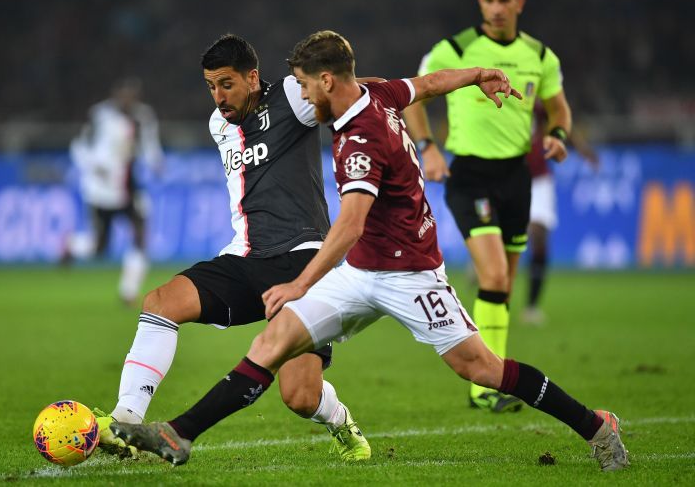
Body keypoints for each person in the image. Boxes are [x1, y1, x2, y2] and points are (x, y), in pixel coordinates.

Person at [109, 30, 629, 473]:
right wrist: (477, 74)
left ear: (327, 82)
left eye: (307, 86)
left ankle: (594, 424)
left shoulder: (360, 136)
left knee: (482, 369)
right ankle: (178, 435)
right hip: (359, 272)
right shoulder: (377, 97)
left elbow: (351, 223)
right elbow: (424, 85)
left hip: (411, 275)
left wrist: (298, 283)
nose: (302, 96)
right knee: (273, 342)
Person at [95, 35, 371, 462]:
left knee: (299, 396)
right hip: (245, 257)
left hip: (303, 261)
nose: (218, 96)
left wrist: (434, 89)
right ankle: (126, 420)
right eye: (210, 86)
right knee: (161, 302)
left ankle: (340, 421)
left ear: (252, 77)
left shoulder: (293, 99)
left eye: (226, 84)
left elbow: (351, 89)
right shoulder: (218, 124)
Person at [402, 0, 572, 412]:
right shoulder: (453, 50)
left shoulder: (540, 55)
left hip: (517, 178)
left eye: (504, 0)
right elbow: (412, 98)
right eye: (488, 1)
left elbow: (558, 108)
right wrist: (427, 148)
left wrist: (558, 134)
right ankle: (483, 386)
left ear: (519, 3)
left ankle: (491, 377)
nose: (496, 8)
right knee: (494, 275)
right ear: (481, 3)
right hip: (470, 176)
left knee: (504, 284)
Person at [65, 77, 163, 306]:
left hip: (130, 186)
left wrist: (157, 162)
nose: (128, 100)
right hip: (101, 190)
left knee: (140, 235)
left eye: (132, 95)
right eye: (124, 95)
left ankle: (128, 292)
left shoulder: (143, 116)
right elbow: (78, 146)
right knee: (100, 247)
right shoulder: (99, 115)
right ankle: (71, 245)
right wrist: (93, 166)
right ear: (116, 95)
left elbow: (150, 146)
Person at [523, 104, 599, 324]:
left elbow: (561, 122)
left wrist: (584, 151)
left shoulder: (536, 102)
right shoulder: (499, 94)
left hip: (539, 179)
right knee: (508, 237)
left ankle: (531, 306)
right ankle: (483, 264)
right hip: (510, 177)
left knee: (539, 237)